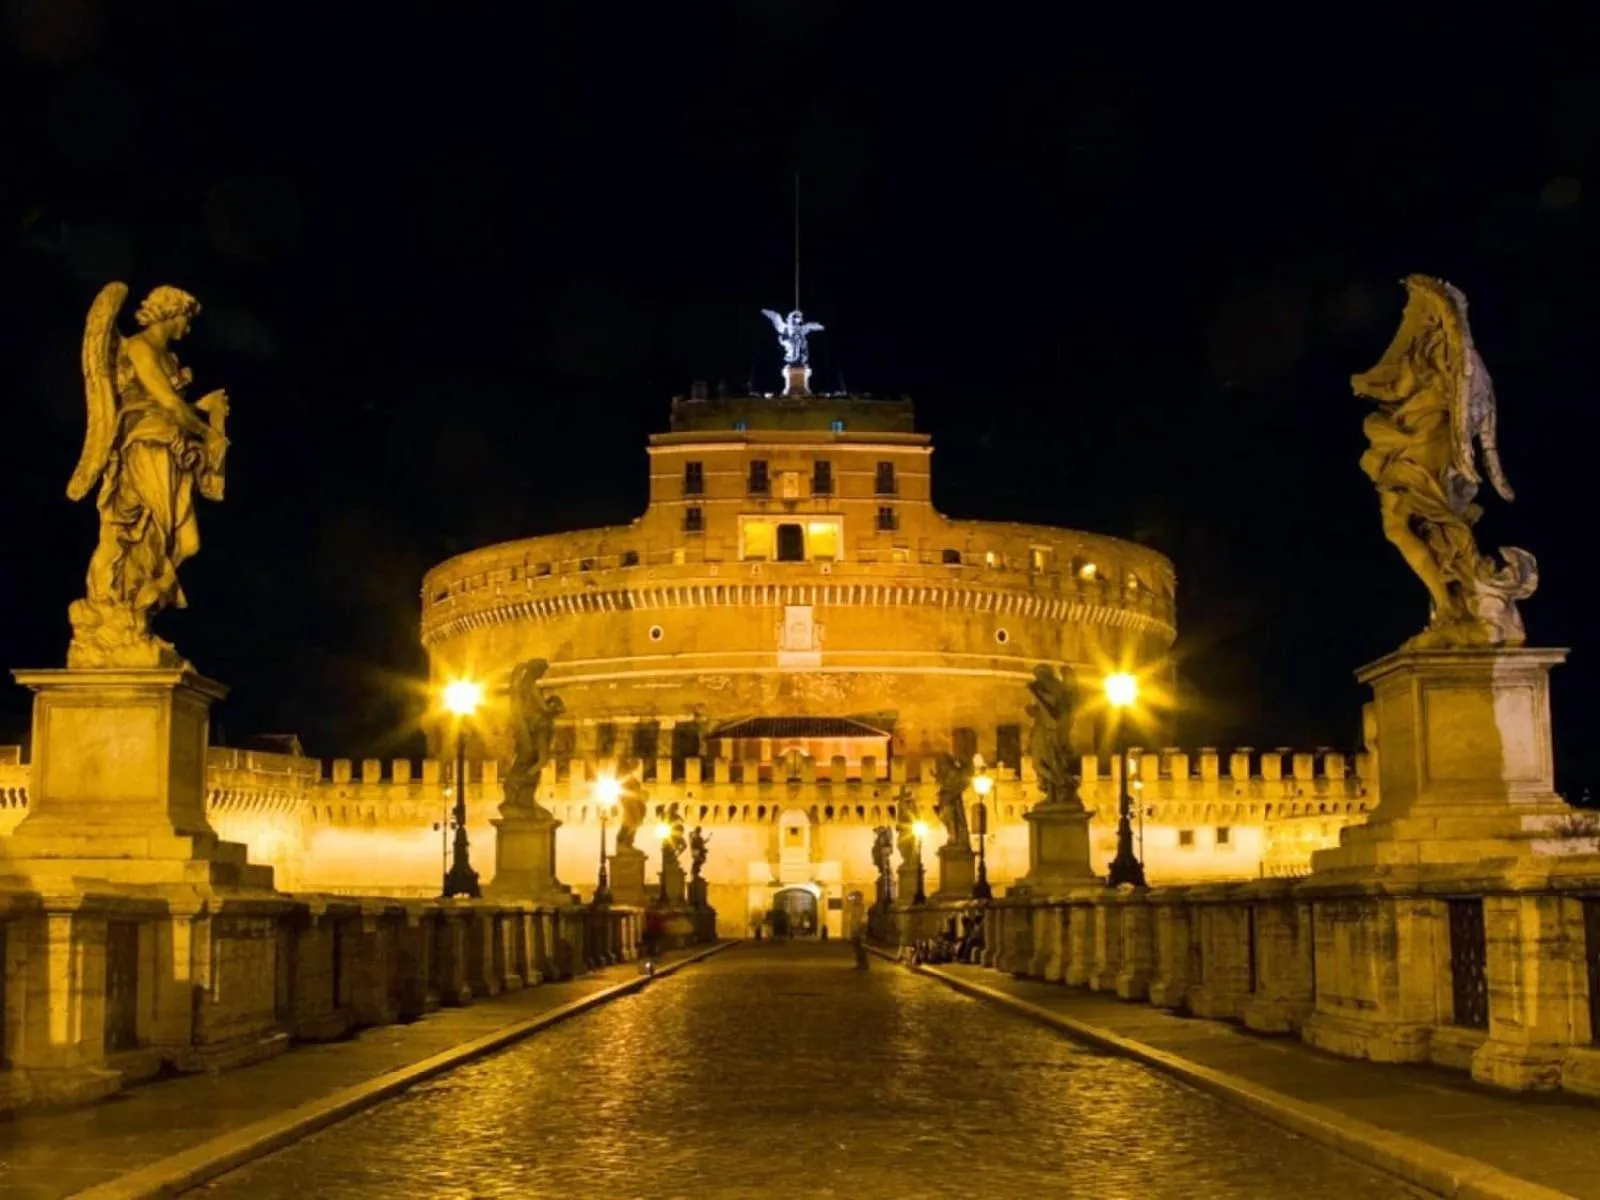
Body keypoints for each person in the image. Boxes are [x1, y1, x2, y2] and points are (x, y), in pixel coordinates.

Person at [642, 905, 667, 969]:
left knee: (654, 945)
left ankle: (654, 958)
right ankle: (653, 958)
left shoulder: (656, 915)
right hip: (653, 931)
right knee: (653, 945)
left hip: (655, 930)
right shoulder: (656, 915)